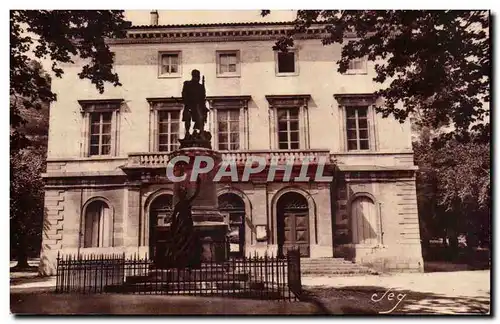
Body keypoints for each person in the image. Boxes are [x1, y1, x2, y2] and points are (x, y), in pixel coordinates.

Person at [164, 175, 202, 269]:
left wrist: (198, 184)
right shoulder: (180, 204)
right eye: (181, 193)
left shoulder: (185, 202)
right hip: (181, 227)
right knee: (182, 244)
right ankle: (181, 261)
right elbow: (174, 216)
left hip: (186, 226)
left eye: (183, 193)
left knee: (186, 244)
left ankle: (185, 261)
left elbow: (195, 194)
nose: (182, 194)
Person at [181, 70, 208, 137]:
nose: (197, 78)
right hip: (189, 105)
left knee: (201, 116)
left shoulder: (200, 86)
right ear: (193, 76)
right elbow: (184, 94)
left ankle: (198, 131)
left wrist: (203, 107)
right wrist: (187, 102)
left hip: (198, 106)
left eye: (198, 76)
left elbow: (203, 98)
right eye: (196, 76)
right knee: (188, 117)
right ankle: (187, 132)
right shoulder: (187, 84)